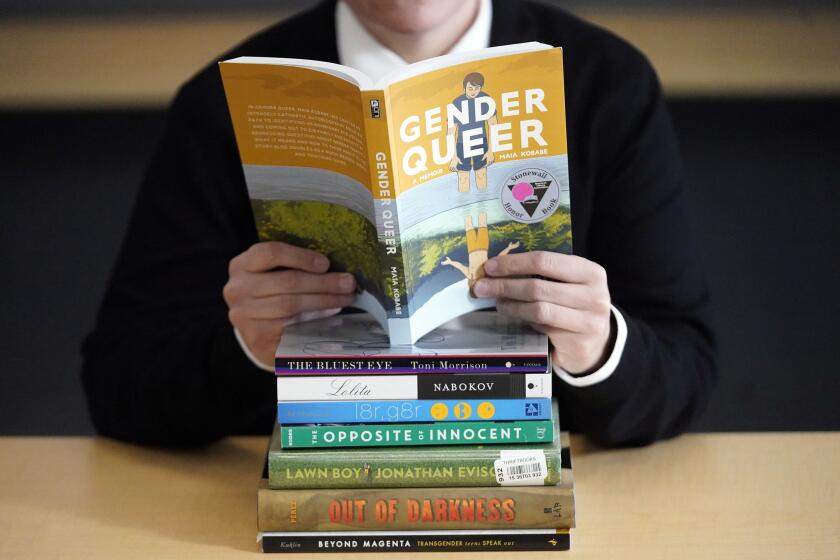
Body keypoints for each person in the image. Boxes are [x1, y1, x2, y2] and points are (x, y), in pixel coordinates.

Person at [81, 0, 716, 448]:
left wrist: (597, 345)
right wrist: (246, 348)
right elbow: (119, 383)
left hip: (526, 484)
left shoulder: (608, 85)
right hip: (312, 496)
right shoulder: (222, 103)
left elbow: (686, 368)